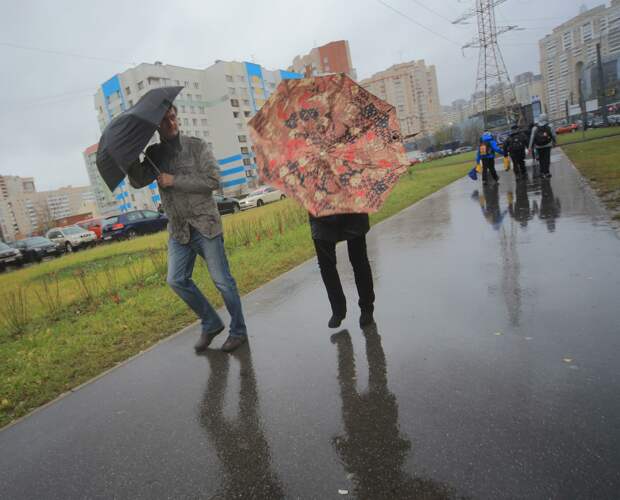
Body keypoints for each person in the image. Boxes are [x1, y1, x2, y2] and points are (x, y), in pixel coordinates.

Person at [128, 105, 247, 353]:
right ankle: (211, 322)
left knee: (222, 281)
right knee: (176, 279)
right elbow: (138, 180)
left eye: (172, 117)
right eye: (164, 121)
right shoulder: (154, 153)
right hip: (179, 230)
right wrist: (130, 157)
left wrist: (175, 181)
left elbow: (213, 181)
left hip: (205, 225)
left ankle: (238, 332)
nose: (171, 123)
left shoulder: (197, 146)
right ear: (156, 127)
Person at [310, 213, 375, 329]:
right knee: (325, 264)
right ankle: (338, 309)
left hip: (351, 206)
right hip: (320, 207)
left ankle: (367, 306)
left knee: (359, 258)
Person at [528, 114, 557, 179]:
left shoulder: (535, 128)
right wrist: (555, 142)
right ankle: (547, 172)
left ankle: (542, 173)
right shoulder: (550, 126)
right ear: (546, 118)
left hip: (538, 146)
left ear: (539, 118)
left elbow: (532, 138)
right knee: (547, 159)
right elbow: (554, 135)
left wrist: (529, 147)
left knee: (541, 159)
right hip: (547, 145)